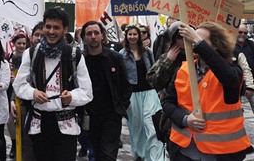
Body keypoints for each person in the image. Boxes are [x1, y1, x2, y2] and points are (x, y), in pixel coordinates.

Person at [162, 22, 252, 160]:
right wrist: (185, 119)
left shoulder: (232, 71)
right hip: (184, 151)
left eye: (199, 40)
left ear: (216, 45)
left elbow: (229, 77)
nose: (193, 42)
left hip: (220, 152)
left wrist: (199, 43)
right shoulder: (183, 70)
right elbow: (168, 103)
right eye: (192, 39)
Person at [12, 8, 93, 161]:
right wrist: (33, 93)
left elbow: (87, 92)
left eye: (56, 27)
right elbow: (19, 85)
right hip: (39, 124)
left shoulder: (74, 55)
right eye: (48, 26)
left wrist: (72, 97)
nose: (51, 31)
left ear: (64, 30)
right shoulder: (31, 53)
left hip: (66, 125)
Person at [81, 21, 131, 161]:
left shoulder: (114, 57)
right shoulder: (80, 60)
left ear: (103, 36)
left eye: (96, 33)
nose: (93, 36)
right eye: (89, 33)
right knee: (96, 152)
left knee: (108, 154)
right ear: (84, 37)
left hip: (111, 115)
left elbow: (126, 86)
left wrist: (120, 108)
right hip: (90, 116)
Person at [120, 25, 164, 161]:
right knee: (137, 129)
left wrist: (159, 90)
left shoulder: (147, 51)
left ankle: (156, 157)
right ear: (126, 36)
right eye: (130, 34)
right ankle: (140, 155)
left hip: (150, 92)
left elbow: (154, 71)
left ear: (139, 36)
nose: (132, 37)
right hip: (132, 96)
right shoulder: (122, 54)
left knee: (151, 125)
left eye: (135, 34)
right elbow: (121, 79)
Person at [7, 32, 29, 159]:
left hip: (24, 93)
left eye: (23, 43)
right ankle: (15, 143)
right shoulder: (9, 57)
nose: (21, 46)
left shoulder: (29, 57)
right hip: (11, 93)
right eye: (19, 43)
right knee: (10, 122)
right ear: (14, 44)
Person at [234, 24, 254, 112]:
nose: (243, 34)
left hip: (250, 81)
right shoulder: (230, 46)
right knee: (237, 109)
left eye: (245, 33)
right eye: (240, 32)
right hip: (236, 83)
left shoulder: (251, 45)